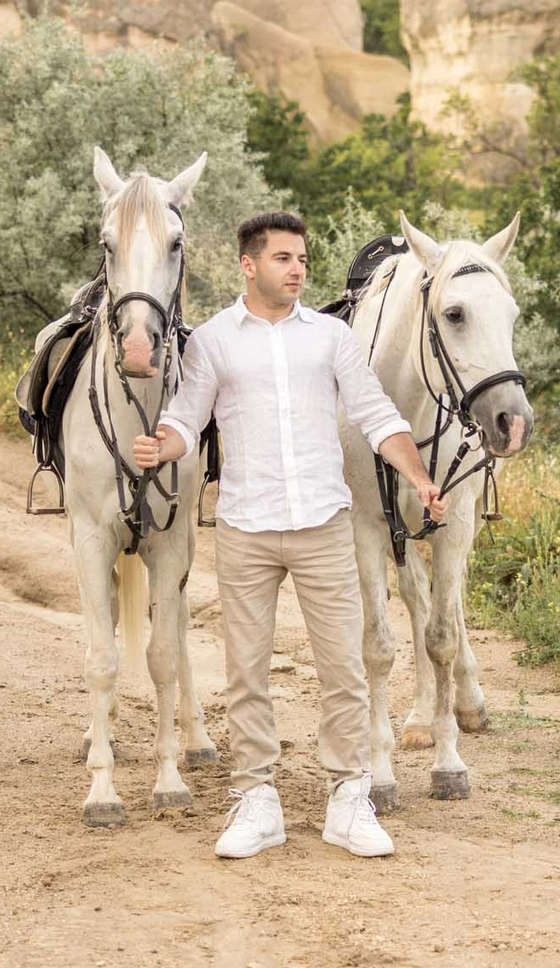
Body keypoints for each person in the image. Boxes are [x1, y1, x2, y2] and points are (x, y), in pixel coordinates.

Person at [135, 211, 444, 860]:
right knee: (245, 674)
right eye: (282, 258)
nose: (297, 269)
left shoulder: (331, 339)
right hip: (246, 529)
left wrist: (416, 475)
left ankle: (348, 799)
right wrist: (164, 445)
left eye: (301, 258)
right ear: (249, 265)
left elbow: (374, 413)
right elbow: (189, 419)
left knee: (344, 672)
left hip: (324, 526)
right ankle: (257, 803)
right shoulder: (214, 341)